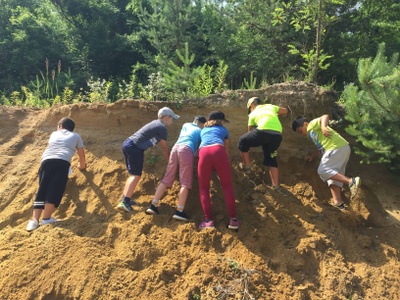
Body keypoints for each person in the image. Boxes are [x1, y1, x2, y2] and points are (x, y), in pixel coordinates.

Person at [26, 117, 86, 232]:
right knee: (54, 189)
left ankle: (34, 221)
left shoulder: (54, 134)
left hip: (46, 161)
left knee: (43, 188)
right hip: (62, 162)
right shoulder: (76, 136)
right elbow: (81, 154)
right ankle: (46, 219)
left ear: (60, 126)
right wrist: (82, 166)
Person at [292, 115, 361, 209]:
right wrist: (313, 156)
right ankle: (338, 203)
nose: (302, 134)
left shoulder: (311, 125)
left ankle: (351, 181)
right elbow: (319, 147)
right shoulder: (313, 134)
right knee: (332, 178)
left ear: (305, 124)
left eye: (300, 131)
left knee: (323, 170)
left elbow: (324, 116)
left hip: (336, 147)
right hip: (342, 148)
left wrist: (324, 127)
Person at [117, 107, 180, 212]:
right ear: (167, 117)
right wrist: (169, 159)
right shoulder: (162, 127)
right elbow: (164, 146)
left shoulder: (156, 124)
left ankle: (125, 198)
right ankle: (124, 202)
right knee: (136, 175)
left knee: (134, 175)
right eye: (172, 118)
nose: (172, 121)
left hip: (129, 144)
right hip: (135, 147)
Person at [145, 115, 207, 221]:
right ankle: (180, 211)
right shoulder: (200, 131)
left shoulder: (186, 125)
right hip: (186, 149)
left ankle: (153, 205)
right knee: (185, 182)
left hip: (175, 148)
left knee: (167, 177)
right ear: (202, 124)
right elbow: (197, 150)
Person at [197, 111, 239, 230]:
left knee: (204, 188)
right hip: (219, 151)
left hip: (204, 153)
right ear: (221, 120)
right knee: (227, 186)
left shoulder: (203, 130)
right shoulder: (224, 130)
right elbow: (226, 150)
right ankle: (233, 220)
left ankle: (208, 221)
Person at [238, 97, 288, 191]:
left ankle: (247, 167)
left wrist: (248, 146)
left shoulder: (252, 113)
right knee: (271, 159)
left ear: (252, 105)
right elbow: (285, 111)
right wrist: (273, 113)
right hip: (277, 135)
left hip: (262, 132)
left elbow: (249, 132)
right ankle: (276, 186)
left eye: (250, 108)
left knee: (242, 140)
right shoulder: (269, 106)